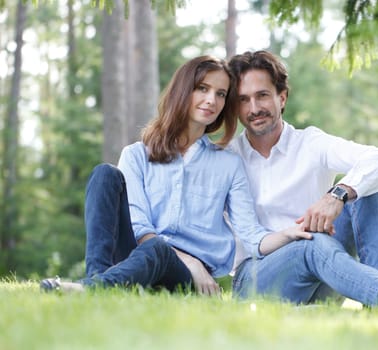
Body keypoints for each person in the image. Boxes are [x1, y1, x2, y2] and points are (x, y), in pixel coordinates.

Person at [227, 50, 378, 313]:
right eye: (243, 100)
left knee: (364, 186)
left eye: (262, 95)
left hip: (322, 274)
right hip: (256, 279)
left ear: (281, 97)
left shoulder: (309, 143)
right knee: (312, 245)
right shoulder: (228, 157)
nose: (254, 108)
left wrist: (338, 194)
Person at [40, 55, 296, 295]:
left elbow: (252, 236)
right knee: (104, 174)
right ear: (184, 90)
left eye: (221, 94)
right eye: (202, 88)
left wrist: (289, 233)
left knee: (159, 249)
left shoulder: (229, 164)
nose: (211, 100)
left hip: (183, 276)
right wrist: (188, 259)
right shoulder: (136, 155)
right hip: (139, 256)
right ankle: (97, 281)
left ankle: (90, 289)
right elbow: (140, 227)